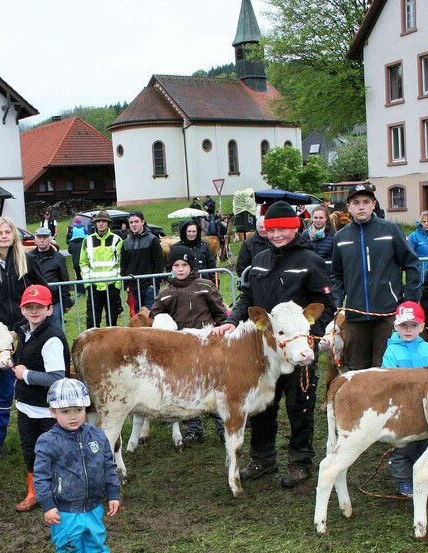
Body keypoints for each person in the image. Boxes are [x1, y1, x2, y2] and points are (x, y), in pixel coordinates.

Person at [212, 201, 336, 487]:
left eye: (282, 228)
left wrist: (308, 335)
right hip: (264, 351)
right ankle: (262, 459)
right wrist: (233, 319)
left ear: (294, 227)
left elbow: (326, 305)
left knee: (299, 404)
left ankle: (300, 462)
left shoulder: (310, 260)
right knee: (262, 406)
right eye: (271, 229)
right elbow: (247, 298)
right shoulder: (260, 260)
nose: (276, 234)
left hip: (296, 350)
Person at [32, 378, 122, 553]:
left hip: (93, 506)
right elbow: (40, 476)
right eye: (65, 411)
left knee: (96, 542)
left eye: (79, 410)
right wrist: (48, 505)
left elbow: (108, 465)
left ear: (86, 409)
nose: (73, 416)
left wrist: (112, 493)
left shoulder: (97, 436)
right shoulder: (47, 442)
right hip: (65, 510)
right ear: (53, 412)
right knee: (69, 546)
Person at [0, 216, 47, 457]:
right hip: (3, 335)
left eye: (8, 232)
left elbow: (44, 289)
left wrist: (44, 314)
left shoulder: (27, 260)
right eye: (0, 233)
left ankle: (43, 434)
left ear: (14, 235)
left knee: (33, 379)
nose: (4, 236)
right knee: (3, 388)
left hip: (28, 328)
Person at [331, 183, 421, 371]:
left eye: (366, 202)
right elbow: (337, 275)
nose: (361, 206)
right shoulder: (341, 237)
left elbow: (412, 264)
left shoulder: (390, 230)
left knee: (385, 368)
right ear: (348, 208)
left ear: (374, 204)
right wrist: (338, 304)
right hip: (355, 315)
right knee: (357, 369)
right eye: (356, 202)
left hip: (387, 313)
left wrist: (409, 302)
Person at [152, 244, 228, 444]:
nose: (180, 269)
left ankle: (222, 427)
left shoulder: (205, 286)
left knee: (213, 385)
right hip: (182, 348)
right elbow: (156, 316)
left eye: (184, 265)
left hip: (207, 344)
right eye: (176, 265)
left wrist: (222, 330)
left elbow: (221, 313)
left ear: (192, 266)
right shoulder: (166, 293)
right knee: (190, 388)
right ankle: (194, 429)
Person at [12, 285, 71, 512]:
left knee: (55, 451)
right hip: (27, 405)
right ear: (22, 310)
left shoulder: (52, 337)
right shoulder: (23, 332)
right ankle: (34, 492)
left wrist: (24, 374)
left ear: (49, 309)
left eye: (39, 307)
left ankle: (62, 492)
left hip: (48, 408)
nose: (34, 311)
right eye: (29, 307)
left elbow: (57, 376)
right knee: (30, 450)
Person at [381, 301, 428, 497]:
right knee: (403, 445)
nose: (408, 330)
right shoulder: (391, 351)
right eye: (403, 325)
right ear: (395, 326)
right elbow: (388, 379)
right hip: (402, 408)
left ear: (422, 327)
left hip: (427, 406)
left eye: (414, 325)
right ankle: (403, 479)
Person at [81, 210, 124, 328]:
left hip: (111, 287)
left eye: (103, 221)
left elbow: (121, 264)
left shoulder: (117, 240)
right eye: (98, 221)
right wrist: (87, 283)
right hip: (93, 286)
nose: (101, 224)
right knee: (93, 322)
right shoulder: (87, 240)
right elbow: (83, 263)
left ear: (108, 223)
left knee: (112, 321)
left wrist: (118, 284)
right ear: (95, 224)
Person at [28, 227, 71, 332]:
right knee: (35, 331)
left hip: (54, 302)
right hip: (34, 302)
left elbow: (64, 281)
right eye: (39, 237)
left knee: (56, 330)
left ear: (51, 238)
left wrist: (66, 303)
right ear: (35, 238)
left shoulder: (59, 258)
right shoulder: (28, 257)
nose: (42, 240)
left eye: (45, 237)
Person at [120, 210, 163, 312]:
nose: (134, 225)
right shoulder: (125, 243)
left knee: (150, 316)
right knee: (136, 317)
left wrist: (155, 283)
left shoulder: (153, 240)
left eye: (136, 221)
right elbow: (123, 265)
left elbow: (159, 263)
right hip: (133, 287)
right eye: (131, 222)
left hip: (149, 286)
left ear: (142, 222)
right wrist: (126, 285)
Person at [235, 215, 270, 282]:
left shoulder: (276, 242)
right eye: (261, 227)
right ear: (257, 228)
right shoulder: (248, 244)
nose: (264, 229)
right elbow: (241, 266)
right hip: (255, 281)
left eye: (266, 226)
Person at [67, 216, 87, 281]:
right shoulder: (85, 242)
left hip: (75, 262)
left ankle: (79, 289)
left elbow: (69, 251)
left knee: (78, 276)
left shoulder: (71, 242)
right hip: (84, 262)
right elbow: (87, 232)